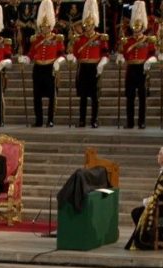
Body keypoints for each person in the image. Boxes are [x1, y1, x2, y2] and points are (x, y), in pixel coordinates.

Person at [18, 0, 65, 128]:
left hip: (50, 68)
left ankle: (50, 119)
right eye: (43, 26)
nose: (44, 28)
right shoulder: (36, 39)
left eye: (47, 26)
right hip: (38, 68)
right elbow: (31, 53)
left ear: (50, 26)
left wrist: (58, 62)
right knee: (36, 95)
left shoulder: (57, 38)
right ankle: (39, 120)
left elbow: (62, 54)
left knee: (52, 96)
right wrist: (25, 59)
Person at [67, 0, 109, 128]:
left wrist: (102, 63)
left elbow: (105, 53)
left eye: (90, 25)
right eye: (86, 25)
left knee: (95, 97)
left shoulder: (100, 38)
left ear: (94, 25)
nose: (87, 27)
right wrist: (72, 58)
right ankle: (82, 120)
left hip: (94, 68)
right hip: (83, 67)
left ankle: (94, 120)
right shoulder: (79, 38)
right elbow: (75, 53)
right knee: (83, 96)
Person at [116, 0, 157, 129]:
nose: (136, 30)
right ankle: (130, 122)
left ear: (142, 27)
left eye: (139, 27)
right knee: (130, 97)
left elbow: (153, 55)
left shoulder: (148, 40)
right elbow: (122, 53)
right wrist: (120, 58)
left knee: (142, 98)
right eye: (135, 27)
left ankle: (141, 121)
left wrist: (149, 62)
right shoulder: (127, 41)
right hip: (131, 69)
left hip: (142, 69)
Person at [126, 146, 163, 250]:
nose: (157, 156)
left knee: (137, 212)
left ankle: (149, 240)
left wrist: (147, 201)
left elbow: (159, 195)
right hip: (159, 206)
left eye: (160, 154)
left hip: (161, 211)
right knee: (137, 212)